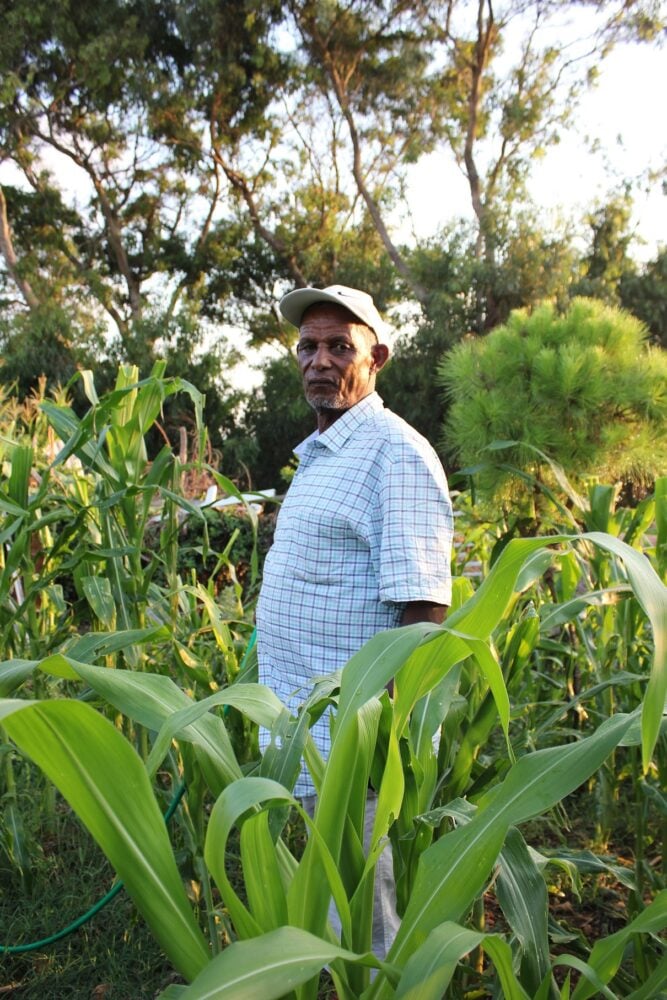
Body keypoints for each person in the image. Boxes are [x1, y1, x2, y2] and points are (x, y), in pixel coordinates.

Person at [255, 283, 454, 956]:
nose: (319, 360)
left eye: (340, 346)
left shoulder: (393, 454)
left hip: (354, 742)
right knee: (331, 900)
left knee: (365, 917)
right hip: (305, 731)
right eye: (307, 345)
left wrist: (381, 740)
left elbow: (422, 610)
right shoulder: (319, 452)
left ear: (378, 359)